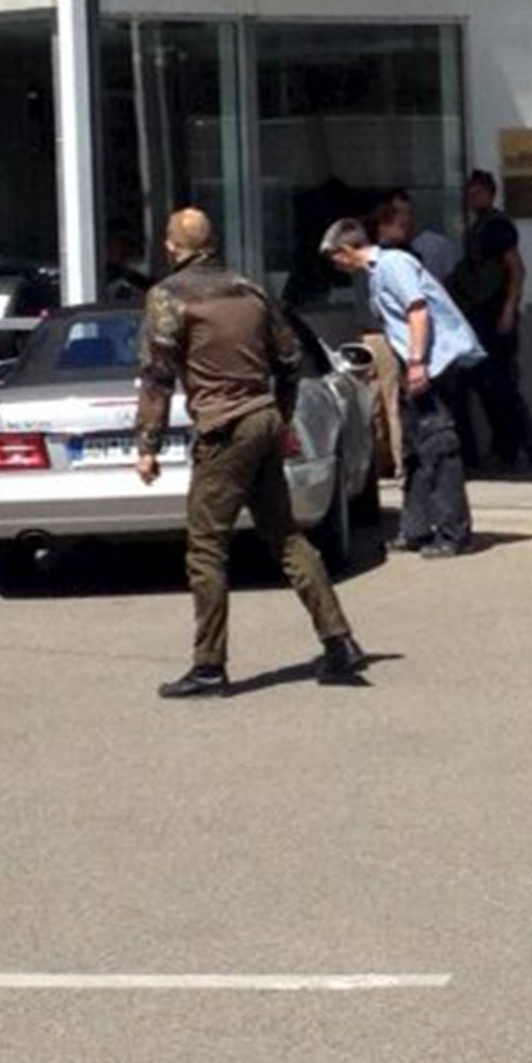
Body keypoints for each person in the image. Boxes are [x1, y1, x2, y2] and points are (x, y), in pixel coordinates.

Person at [134, 208, 364, 698]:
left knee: (206, 548)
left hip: (223, 428)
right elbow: (289, 358)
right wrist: (279, 417)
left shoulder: (169, 296)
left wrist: (147, 446)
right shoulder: (250, 289)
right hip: (262, 419)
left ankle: (209, 666)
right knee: (285, 537)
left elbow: (156, 376)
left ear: (173, 248)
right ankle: (339, 640)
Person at [320, 216, 482, 557]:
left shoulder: (394, 264)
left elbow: (418, 311)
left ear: (348, 249)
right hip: (417, 365)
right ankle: (416, 529)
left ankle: (455, 533)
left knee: (438, 445)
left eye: (334, 257)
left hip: (431, 365)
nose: (334, 264)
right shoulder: (377, 275)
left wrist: (417, 361)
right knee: (414, 449)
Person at [448, 169, 532, 471]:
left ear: (490, 193)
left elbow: (517, 269)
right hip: (479, 315)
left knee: (501, 386)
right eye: (470, 194)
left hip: (494, 315)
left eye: (478, 193)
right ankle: (506, 444)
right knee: (487, 385)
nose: (473, 199)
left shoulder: (497, 227)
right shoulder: (479, 227)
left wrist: (507, 310)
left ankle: (517, 446)